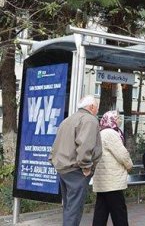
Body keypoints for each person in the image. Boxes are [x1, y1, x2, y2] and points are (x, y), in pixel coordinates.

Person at [49, 95, 102, 226]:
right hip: (76, 170)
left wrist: (53, 160)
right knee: (74, 209)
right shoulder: (89, 120)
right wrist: (86, 167)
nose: (97, 111)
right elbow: (85, 145)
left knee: (69, 207)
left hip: (63, 168)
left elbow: (56, 144)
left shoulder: (68, 120)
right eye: (97, 108)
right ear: (91, 107)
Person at [91, 110, 133, 226]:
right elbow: (122, 154)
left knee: (101, 212)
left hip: (103, 179)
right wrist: (129, 165)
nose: (120, 119)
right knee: (119, 212)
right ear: (112, 120)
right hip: (112, 179)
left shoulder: (101, 132)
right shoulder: (111, 133)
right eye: (118, 117)